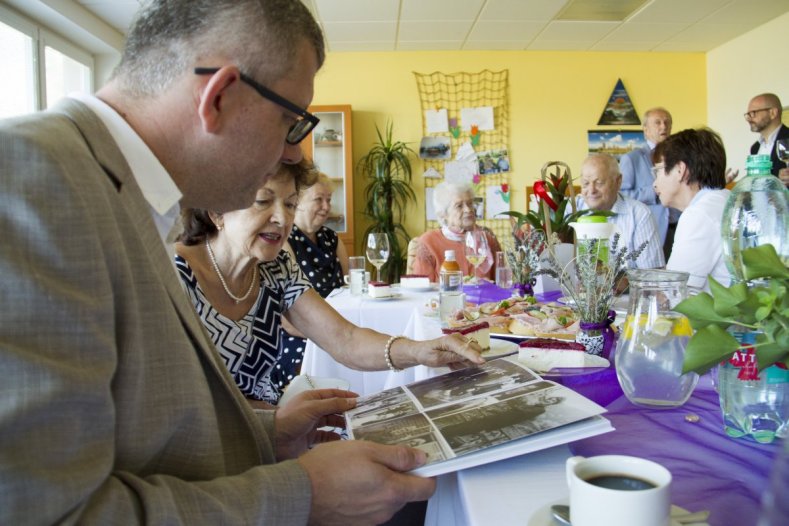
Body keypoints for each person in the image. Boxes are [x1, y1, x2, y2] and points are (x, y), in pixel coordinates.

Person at [0, 1, 483, 524]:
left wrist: (265, 432)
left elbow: (139, 433)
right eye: (291, 122)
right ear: (220, 96)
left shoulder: (126, 197)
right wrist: (303, 496)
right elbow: (46, 513)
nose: (295, 156)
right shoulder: (29, 180)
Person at [175, 162, 480, 408]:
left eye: (291, 204)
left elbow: (344, 338)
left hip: (269, 425)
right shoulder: (175, 276)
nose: (282, 219)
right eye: (263, 201)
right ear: (216, 211)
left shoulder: (275, 267)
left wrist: (419, 351)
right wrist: (273, 422)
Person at [279, 168, 348, 387]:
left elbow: (350, 288)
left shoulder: (332, 238)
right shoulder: (284, 242)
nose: (326, 207)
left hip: (339, 328)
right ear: (297, 202)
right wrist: (327, 338)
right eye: (319, 199)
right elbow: (284, 317)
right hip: (301, 336)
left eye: (329, 200)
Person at [653, 128, 732, 292]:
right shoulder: (724, 199)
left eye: (658, 171)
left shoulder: (699, 215)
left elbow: (674, 293)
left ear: (680, 170)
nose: (654, 183)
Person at [573, 153, 665, 269]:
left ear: (618, 181)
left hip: (626, 287)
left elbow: (652, 274)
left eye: (599, 183)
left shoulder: (639, 214)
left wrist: (615, 281)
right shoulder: (572, 209)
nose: (591, 190)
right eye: (586, 183)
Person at [413, 181, 502, 282]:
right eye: (459, 206)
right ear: (444, 214)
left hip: (485, 297)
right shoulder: (428, 242)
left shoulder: (487, 238)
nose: (468, 210)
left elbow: (500, 282)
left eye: (470, 203)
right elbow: (421, 288)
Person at [618, 107, 680, 253]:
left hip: (679, 226)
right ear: (645, 130)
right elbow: (621, 195)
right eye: (657, 123)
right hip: (651, 230)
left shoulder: (680, 157)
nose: (663, 126)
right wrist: (654, 191)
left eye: (667, 122)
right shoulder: (632, 159)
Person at [745, 93, 789, 185]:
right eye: (748, 114)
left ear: (773, 113)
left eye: (753, 113)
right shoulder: (755, 148)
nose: (748, 118)